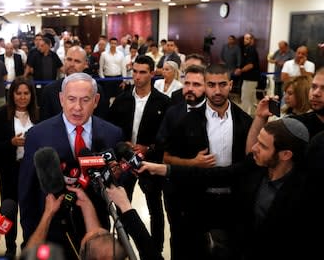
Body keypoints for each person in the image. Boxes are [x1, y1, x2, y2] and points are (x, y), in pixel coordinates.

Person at [140, 117, 320, 260]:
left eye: (263, 146)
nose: (254, 149)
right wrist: (163, 169)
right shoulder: (256, 166)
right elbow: (215, 175)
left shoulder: (305, 193)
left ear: (286, 154)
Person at [18, 72, 122, 259]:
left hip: (97, 233)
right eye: (71, 99)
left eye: (85, 100)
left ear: (96, 100)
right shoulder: (37, 135)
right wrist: (30, 238)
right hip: (52, 232)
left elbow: (120, 188)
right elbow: (27, 192)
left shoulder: (112, 134)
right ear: (61, 99)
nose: (77, 107)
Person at [162, 63, 252, 260]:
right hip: (197, 201)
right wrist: (193, 163)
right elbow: (167, 158)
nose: (217, 91)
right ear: (205, 85)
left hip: (233, 202)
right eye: (211, 85)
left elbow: (251, 162)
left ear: (230, 84)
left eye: (222, 84)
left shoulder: (245, 121)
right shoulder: (186, 122)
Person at [107, 55, 170, 254]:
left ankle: (156, 250)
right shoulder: (122, 99)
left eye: (142, 72)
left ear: (152, 74)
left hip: (150, 163)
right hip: (125, 161)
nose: (137, 76)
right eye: (134, 71)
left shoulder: (163, 102)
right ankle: (124, 247)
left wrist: (148, 148)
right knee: (122, 205)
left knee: (155, 208)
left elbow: (166, 136)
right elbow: (111, 128)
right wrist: (121, 145)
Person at [0, 76, 40, 257]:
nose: (22, 97)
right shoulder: (2, 114)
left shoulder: (39, 115)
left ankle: (28, 245)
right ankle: (10, 247)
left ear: (31, 95)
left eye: (26, 93)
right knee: (9, 211)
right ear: (11, 95)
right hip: (10, 171)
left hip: (32, 172)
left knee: (30, 212)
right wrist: (11, 143)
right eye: (18, 93)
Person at [40, 46, 109, 120]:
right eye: (69, 59)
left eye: (77, 61)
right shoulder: (49, 90)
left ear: (86, 64)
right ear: (64, 60)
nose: (72, 64)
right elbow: (45, 123)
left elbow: (101, 121)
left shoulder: (96, 90)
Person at [236, 33, 260, 115]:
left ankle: (244, 117)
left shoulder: (251, 49)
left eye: (247, 39)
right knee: (252, 99)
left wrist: (240, 71)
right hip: (250, 79)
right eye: (244, 38)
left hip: (250, 78)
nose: (244, 40)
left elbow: (250, 65)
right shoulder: (247, 49)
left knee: (245, 98)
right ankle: (254, 116)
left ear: (251, 40)